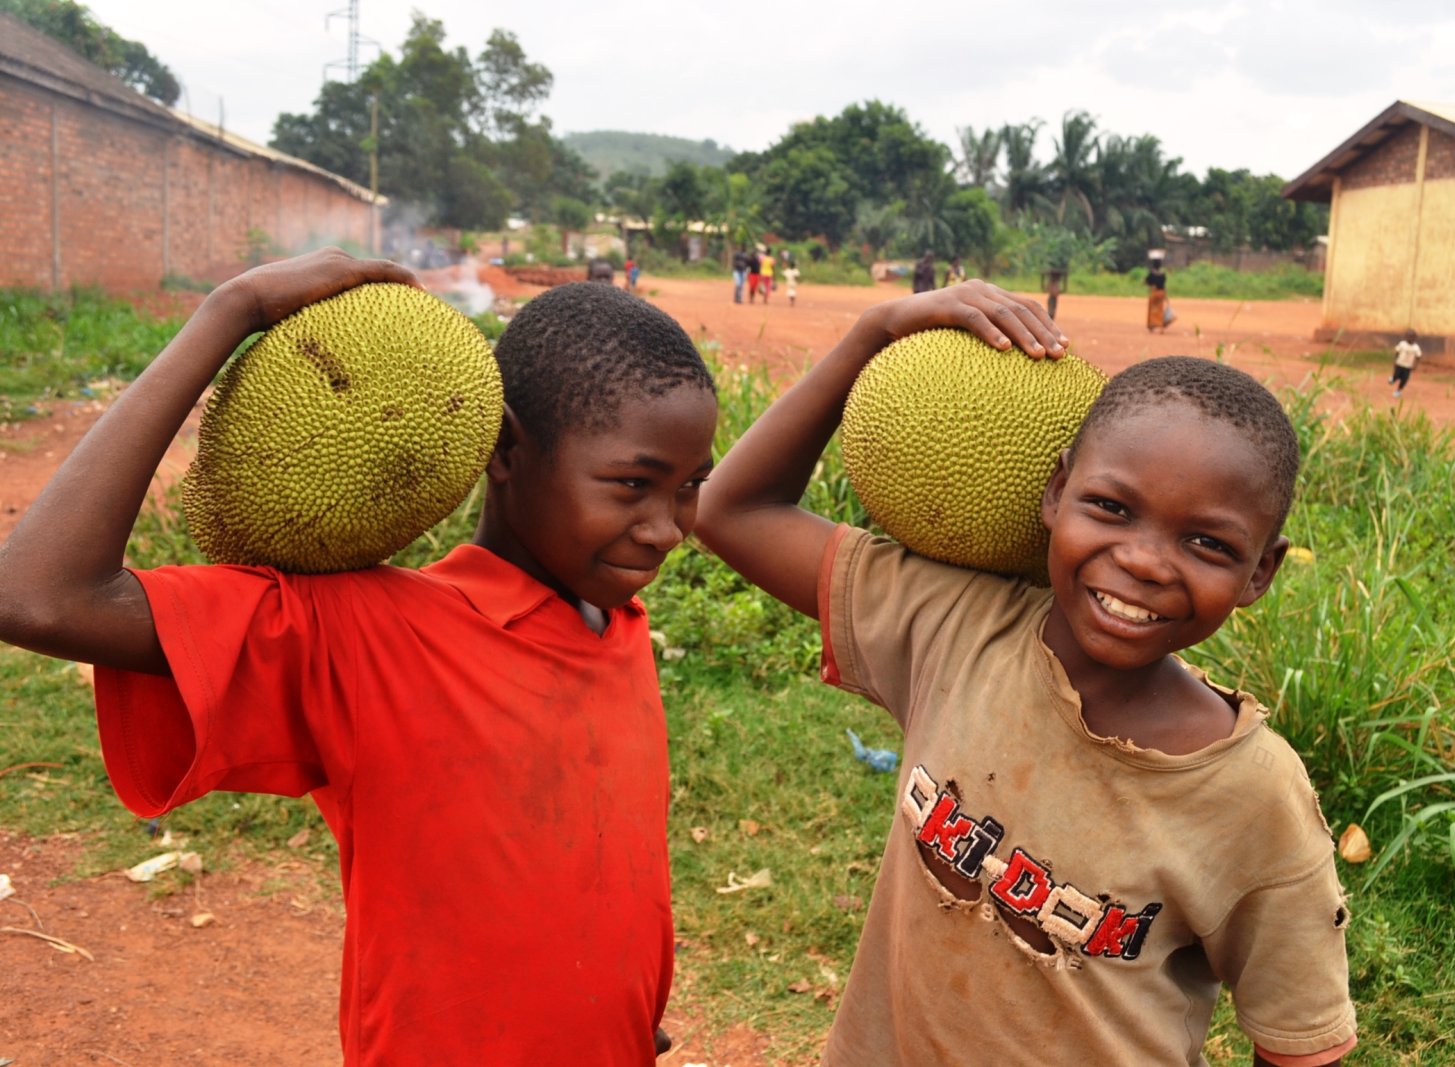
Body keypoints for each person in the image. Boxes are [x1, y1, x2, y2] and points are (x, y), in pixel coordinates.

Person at [0, 247, 719, 1065]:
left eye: (689, 486)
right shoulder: (366, 633)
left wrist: (619, 998)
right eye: (633, 485)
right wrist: (230, 311)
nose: (667, 527)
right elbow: (36, 595)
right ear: (506, 449)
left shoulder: (617, 627)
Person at [695, 282, 1356, 1066]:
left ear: (1260, 572)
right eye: (1111, 506)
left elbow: (1299, 1042)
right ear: (1054, 491)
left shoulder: (1255, 797)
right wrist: (876, 330)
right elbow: (730, 512)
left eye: (1207, 543)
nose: (1142, 561)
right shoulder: (956, 626)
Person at [1389, 328, 1421, 398]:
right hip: (1400, 364)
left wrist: (1415, 365)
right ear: (1406, 337)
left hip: (1408, 366)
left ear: (1415, 338)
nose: (1410, 338)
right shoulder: (1402, 344)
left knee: (1404, 379)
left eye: (1412, 337)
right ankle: (1393, 379)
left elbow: (1418, 356)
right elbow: (1397, 352)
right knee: (1396, 376)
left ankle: (1398, 391)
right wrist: (1395, 360)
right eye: (1409, 336)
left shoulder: (1416, 347)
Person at [1144, 257, 1170, 332]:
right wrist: (1166, 296)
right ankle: (1161, 327)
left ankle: (1151, 326)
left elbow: (1146, 282)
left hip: (1154, 292)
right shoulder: (1163, 274)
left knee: (1152, 309)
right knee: (1160, 310)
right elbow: (1164, 285)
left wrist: (1150, 285)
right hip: (1161, 293)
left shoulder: (1151, 273)